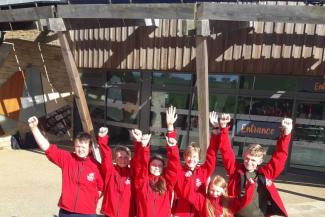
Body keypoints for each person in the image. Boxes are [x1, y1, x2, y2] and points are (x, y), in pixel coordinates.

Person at [218, 114, 293, 217]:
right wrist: (223, 128)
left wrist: (286, 133)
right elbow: (226, 151)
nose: (249, 162)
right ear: (244, 156)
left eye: (253, 160)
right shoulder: (235, 170)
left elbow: (280, 156)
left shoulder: (266, 174)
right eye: (247, 158)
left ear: (260, 161)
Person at [28, 116, 103, 217]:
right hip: (66, 211)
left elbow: (101, 188)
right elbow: (47, 148)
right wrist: (34, 128)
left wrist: (92, 202)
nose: (80, 150)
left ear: (89, 148)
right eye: (78, 146)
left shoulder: (96, 166)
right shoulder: (67, 158)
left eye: (83, 147)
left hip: (87, 213)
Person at [169, 108, 221, 217]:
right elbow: (173, 158)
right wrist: (170, 130)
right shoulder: (179, 170)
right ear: (185, 157)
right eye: (189, 156)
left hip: (198, 212)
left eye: (194, 157)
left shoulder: (203, 171)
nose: (192, 159)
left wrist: (216, 131)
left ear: (198, 158)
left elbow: (211, 156)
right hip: (181, 212)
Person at [131, 124, 180, 217]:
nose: (156, 167)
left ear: (163, 168)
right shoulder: (142, 181)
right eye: (153, 165)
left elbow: (174, 168)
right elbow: (141, 165)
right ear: (149, 166)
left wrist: (173, 148)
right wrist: (144, 147)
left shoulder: (167, 182)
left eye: (159, 165)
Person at [97, 126, 135, 217]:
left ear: (129, 159)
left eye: (125, 157)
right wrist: (102, 138)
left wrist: (137, 142)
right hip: (110, 213)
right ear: (115, 159)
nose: (123, 160)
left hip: (127, 213)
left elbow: (139, 160)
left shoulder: (133, 173)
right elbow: (106, 156)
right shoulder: (110, 171)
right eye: (120, 157)